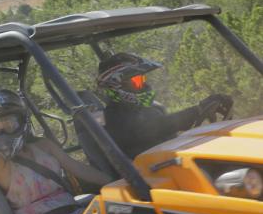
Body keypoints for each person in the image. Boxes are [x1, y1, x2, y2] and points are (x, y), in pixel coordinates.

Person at [97, 52, 233, 159]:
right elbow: (152, 128)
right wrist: (197, 111)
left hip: (172, 163)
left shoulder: (150, 109)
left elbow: (164, 128)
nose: (144, 85)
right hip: (149, 179)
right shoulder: (112, 118)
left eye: (143, 78)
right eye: (137, 81)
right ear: (116, 85)